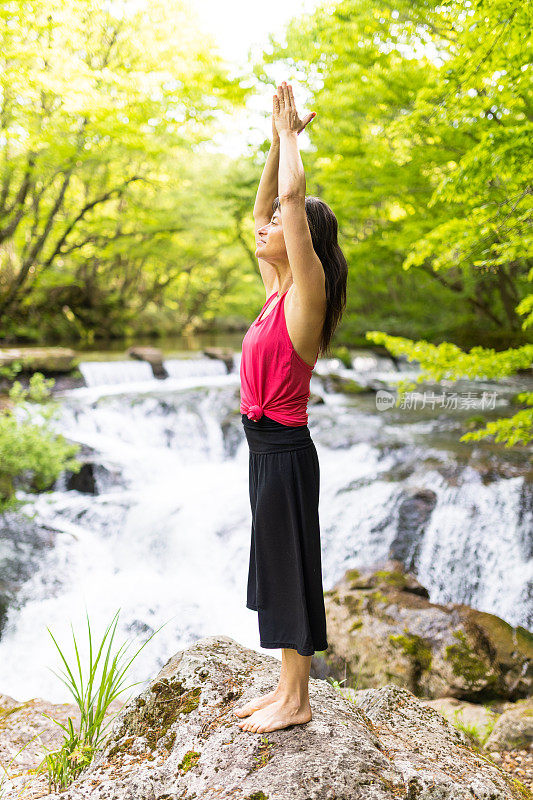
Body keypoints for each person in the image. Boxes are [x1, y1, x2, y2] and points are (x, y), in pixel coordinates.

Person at [235, 81, 348, 733]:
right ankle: (284, 690)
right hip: (261, 450)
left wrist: (288, 137)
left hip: (283, 452)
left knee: (291, 566)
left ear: (302, 237)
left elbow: (285, 203)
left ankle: (298, 701)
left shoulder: (304, 295)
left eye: (282, 226)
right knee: (275, 566)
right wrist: (272, 145)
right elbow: (263, 204)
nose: (267, 226)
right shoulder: (274, 287)